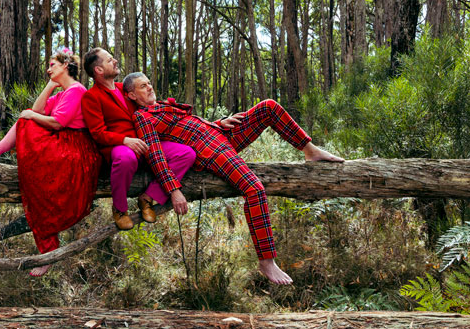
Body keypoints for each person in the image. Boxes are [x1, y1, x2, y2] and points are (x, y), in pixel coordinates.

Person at [122, 71, 344, 285]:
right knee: (254, 189)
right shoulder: (143, 118)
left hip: (220, 133)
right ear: (132, 95)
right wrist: (174, 189)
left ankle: (310, 150)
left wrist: (218, 123)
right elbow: (156, 156)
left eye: (149, 82)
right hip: (211, 151)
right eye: (143, 86)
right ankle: (266, 261)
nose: (150, 87)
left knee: (268, 107)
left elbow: (189, 125)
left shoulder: (163, 106)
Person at [0, 49, 101, 277]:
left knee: (26, 121)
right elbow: (38, 110)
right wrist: (49, 87)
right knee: (27, 120)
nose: (49, 70)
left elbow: (57, 123)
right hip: (64, 144)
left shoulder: (76, 90)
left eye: (52, 65)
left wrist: (29, 116)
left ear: (66, 66)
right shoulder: (62, 93)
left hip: (76, 149)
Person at [81, 48, 196, 229]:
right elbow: (97, 133)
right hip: (120, 148)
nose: (115, 61)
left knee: (186, 154)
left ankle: (148, 197)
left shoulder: (126, 88)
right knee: (125, 157)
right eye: (110, 60)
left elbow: (149, 106)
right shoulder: (91, 97)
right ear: (99, 70)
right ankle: (120, 209)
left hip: (147, 142)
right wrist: (125, 140)